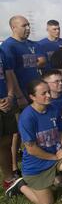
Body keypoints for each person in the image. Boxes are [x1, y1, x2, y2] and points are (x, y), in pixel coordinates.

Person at [5, 80, 62, 204]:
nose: (49, 95)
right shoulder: (27, 117)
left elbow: (59, 132)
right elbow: (31, 149)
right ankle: (21, 185)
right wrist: (54, 157)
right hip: (36, 166)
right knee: (46, 203)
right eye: (43, 93)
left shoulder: (53, 108)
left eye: (48, 92)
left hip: (56, 156)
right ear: (32, 97)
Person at [2, 15, 46, 180]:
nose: (28, 28)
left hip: (34, 93)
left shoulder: (29, 45)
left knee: (34, 127)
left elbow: (40, 61)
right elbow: (10, 73)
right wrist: (19, 95)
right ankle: (14, 167)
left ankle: (37, 158)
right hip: (21, 95)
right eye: (24, 25)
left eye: (28, 25)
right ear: (13, 27)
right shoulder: (9, 46)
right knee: (17, 133)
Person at [0, 48, 18, 191]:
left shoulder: (1, 51)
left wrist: (10, 96)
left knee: (6, 142)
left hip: (5, 102)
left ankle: (9, 178)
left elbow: (8, 75)